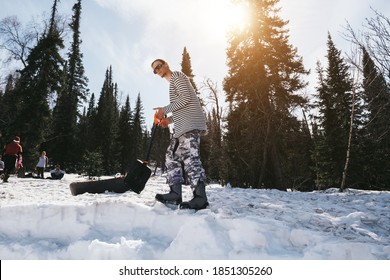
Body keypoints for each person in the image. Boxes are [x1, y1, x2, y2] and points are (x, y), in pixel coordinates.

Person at [151, 58, 208, 210]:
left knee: (191, 157)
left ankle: (200, 197)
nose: (157, 70)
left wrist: (164, 110)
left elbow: (186, 98)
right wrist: (167, 121)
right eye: (154, 70)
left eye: (159, 66)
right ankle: (175, 193)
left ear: (166, 65)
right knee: (171, 156)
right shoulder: (172, 84)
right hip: (182, 127)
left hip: (190, 124)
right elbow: (181, 107)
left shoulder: (177, 76)